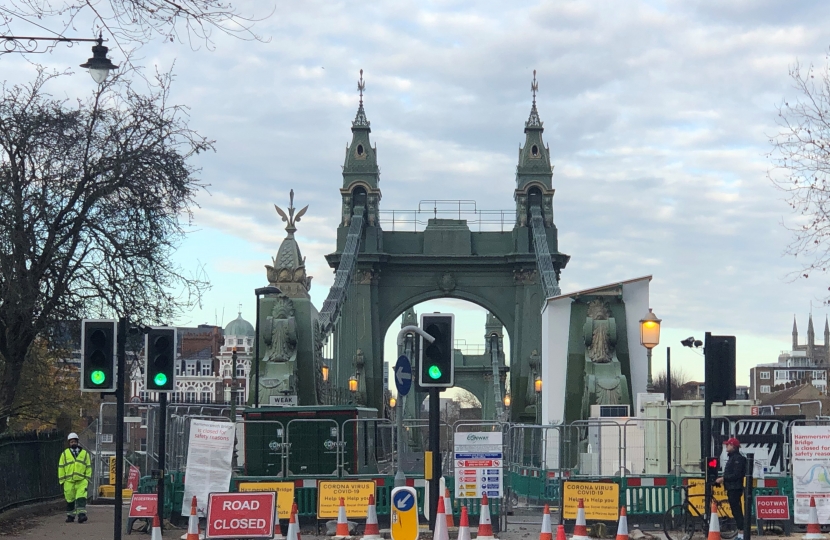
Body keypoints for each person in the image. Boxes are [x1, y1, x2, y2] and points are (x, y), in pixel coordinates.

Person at [716, 437, 747, 540]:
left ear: (733, 446)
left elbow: (736, 475)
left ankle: (742, 534)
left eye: (728, 444)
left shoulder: (737, 458)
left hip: (735, 488)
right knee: (735, 510)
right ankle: (740, 533)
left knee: (736, 511)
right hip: (732, 487)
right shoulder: (733, 457)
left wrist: (723, 479)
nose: (726, 446)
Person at [58, 432, 92, 523]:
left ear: (77, 442)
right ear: (69, 443)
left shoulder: (85, 454)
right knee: (70, 499)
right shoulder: (64, 454)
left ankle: (81, 515)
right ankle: (70, 516)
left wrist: (87, 478)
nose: (73, 443)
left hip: (81, 480)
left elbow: (88, 466)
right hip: (68, 481)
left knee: (81, 497)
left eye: (74, 441)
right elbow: (61, 467)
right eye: (71, 442)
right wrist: (62, 480)